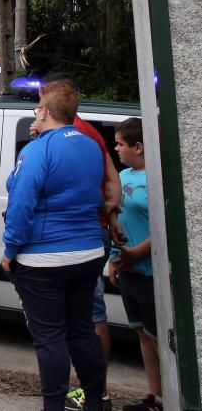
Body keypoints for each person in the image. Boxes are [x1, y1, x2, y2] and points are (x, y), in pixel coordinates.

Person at [2, 83, 106, 411]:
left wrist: (10, 249)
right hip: (88, 252)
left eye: (37, 108)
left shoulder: (36, 152)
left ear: (45, 112)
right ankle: (95, 402)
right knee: (82, 332)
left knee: (50, 338)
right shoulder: (91, 146)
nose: (36, 112)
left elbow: (21, 202)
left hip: (44, 257)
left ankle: (53, 406)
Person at [33, 73, 120, 409]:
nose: (38, 107)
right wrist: (112, 218)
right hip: (92, 232)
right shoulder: (87, 133)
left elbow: (26, 191)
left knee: (82, 321)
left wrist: (12, 249)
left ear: (50, 99)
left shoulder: (73, 134)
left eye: (41, 100)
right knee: (84, 318)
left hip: (74, 237)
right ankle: (95, 392)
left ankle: (93, 391)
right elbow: (109, 176)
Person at [109, 119, 162, 411]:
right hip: (127, 270)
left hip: (149, 272)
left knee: (158, 337)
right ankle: (153, 395)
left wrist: (135, 254)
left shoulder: (156, 179)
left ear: (139, 147)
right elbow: (117, 222)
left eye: (120, 144)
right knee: (142, 333)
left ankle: (172, 395)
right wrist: (113, 260)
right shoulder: (123, 176)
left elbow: (164, 228)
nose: (116, 149)